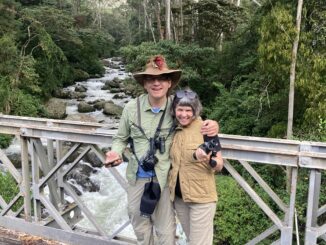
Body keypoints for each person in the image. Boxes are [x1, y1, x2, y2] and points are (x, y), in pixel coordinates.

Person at [105, 55, 218, 245]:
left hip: (165, 178)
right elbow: (121, 138)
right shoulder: (131, 108)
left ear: (169, 83)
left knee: (165, 229)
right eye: (150, 79)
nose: (156, 83)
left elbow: (197, 120)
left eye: (162, 79)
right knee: (138, 222)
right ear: (144, 83)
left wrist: (213, 125)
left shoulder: (177, 106)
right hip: (137, 176)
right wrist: (115, 152)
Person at [168, 88, 223, 245]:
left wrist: (208, 160)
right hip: (179, 199)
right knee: (193, 240)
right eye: (180, 109)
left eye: (188, 110)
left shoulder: (206, 128)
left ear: (195, 110)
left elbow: (219, 164)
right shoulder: (174, 129)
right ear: (174, 110)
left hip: (201, 200)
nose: (183, 114)